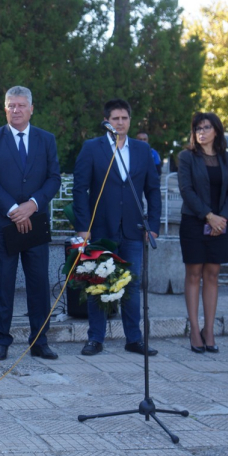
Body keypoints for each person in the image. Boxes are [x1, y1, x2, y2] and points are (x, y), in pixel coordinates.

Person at [72, 98, 161, 357]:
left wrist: (152, 225)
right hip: (99, 228)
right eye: (115, 119)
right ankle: (95, 338)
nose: (120, 123)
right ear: (106, 122)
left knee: (131, 285)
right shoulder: (92, 148)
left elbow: (153, 191)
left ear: (130, 121)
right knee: (99, 282)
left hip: (134, 230)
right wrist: (83, 226)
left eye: (124, 118)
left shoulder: (143, 151)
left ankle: (134, 338)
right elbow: (79, 189)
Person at [0, 86, 62, 361]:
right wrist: (15, 209)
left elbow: (53, 178)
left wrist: (32, 205)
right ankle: (2, 339)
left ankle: (39, 341)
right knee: (2, 284)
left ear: (31, 108)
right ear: (5, 108)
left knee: (38, 283)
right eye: (10, 106)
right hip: (4, 222)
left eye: (20, 105)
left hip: (35, 221)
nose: (15, 110)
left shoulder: (46, 139)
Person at [177, 113, 228, 354]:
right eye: (197, 128)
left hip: (220, 223)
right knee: (194, 274)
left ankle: (209, 330)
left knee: (212, 275)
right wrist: (208, 216)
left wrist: (221, 219)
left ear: (216, 131)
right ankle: (194, 329)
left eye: (206, 127)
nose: (201, 132)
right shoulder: (186, 157)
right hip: (194, 221)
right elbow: (186, 190)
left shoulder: (227, 157)